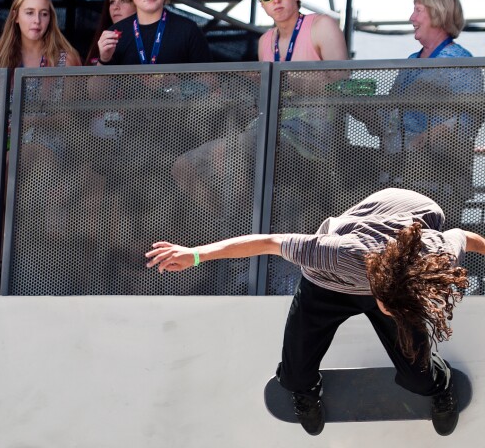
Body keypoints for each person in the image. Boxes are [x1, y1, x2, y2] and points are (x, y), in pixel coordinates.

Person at [146, 187, 483, 436]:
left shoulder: (433, 253)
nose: (393, 313)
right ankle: (307, 391)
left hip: (417, 214)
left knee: (420, 378)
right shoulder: (333, 253)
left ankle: (439, 387)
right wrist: (195, 255)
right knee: (293, 378)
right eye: (390, 307)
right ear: (379, 289)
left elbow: (465, 236)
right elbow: (268, 242)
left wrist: (404, 311)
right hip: (327, 285)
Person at [171, 0, 348, 223]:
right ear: (262, 4)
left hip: (310, 136)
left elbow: (345, 85)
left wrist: (292, 82)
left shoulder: (321, 26)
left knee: (229, 152)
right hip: (264, 128)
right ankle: (229, 228)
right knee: (183, 166)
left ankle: (245, 232)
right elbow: (267, 99)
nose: (275, 1)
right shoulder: (266, 41)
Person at [363, 0, 482, 227]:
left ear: (438, 14)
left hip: (440, 176)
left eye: (418, 11)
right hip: (398, 174)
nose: (411, 18)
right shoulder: (411, 61)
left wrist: (425, 138)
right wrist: (364, 110)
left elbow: (471, 117)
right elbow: (390, 115)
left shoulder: (461, 61)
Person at [0, 0, 81, 215]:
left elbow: (68, 120)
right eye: (29, 12)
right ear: (15, 17)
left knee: (15, 158)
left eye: (44, 13)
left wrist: (28, 121)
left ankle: (18, 229)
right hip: (6, 139)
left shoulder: (65, 59)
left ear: (51, 18)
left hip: (50, 142)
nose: (37, 20)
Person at [85, 0, 136, 66]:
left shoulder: (146, 39)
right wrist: (104, 60)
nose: (115, 7)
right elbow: (88, 80)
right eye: (112, 2)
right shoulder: (102, 39)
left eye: (123, 0)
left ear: (137, 4)